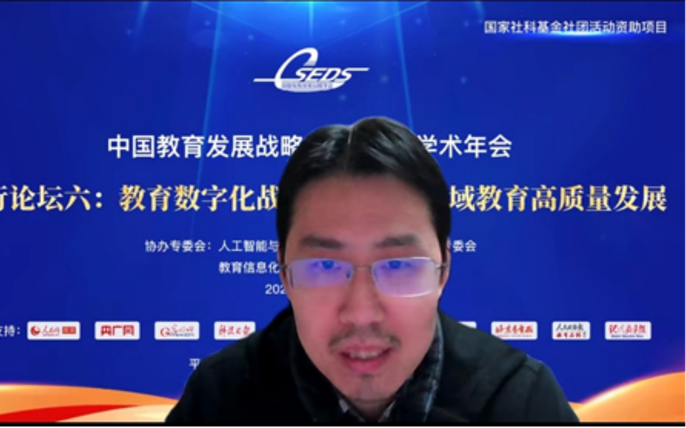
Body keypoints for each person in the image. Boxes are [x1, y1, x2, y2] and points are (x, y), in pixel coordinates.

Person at [165, 117, 579, 422]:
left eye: (398, 264)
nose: (361, 312)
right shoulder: (220, 400)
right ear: (284, 274)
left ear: (443, 269)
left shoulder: (518, 402)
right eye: (325, 266)